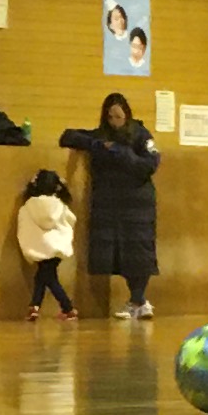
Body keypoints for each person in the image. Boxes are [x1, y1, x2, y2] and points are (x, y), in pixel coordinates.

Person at [58, 90, 161, 320]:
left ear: (127, 115)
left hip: (137, 204)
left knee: (138, 252)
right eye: (110, 117)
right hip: (110, 204)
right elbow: (67, 136)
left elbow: (150, 164)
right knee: (117, 254)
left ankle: (137, 299)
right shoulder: (101, 135)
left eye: (119, 117)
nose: (115, 122)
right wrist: (96, 145)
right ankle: (138, 302)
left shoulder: (141, 135)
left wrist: (122, 153)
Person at [15, 167, 77, 320]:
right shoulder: (60, 205)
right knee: (45, 276)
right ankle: (38, 307)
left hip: (39, 247)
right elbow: (72, 219)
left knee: (46, 277)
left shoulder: (28, 206)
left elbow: (23, 224)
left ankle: (66, 308)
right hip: (57, 246)